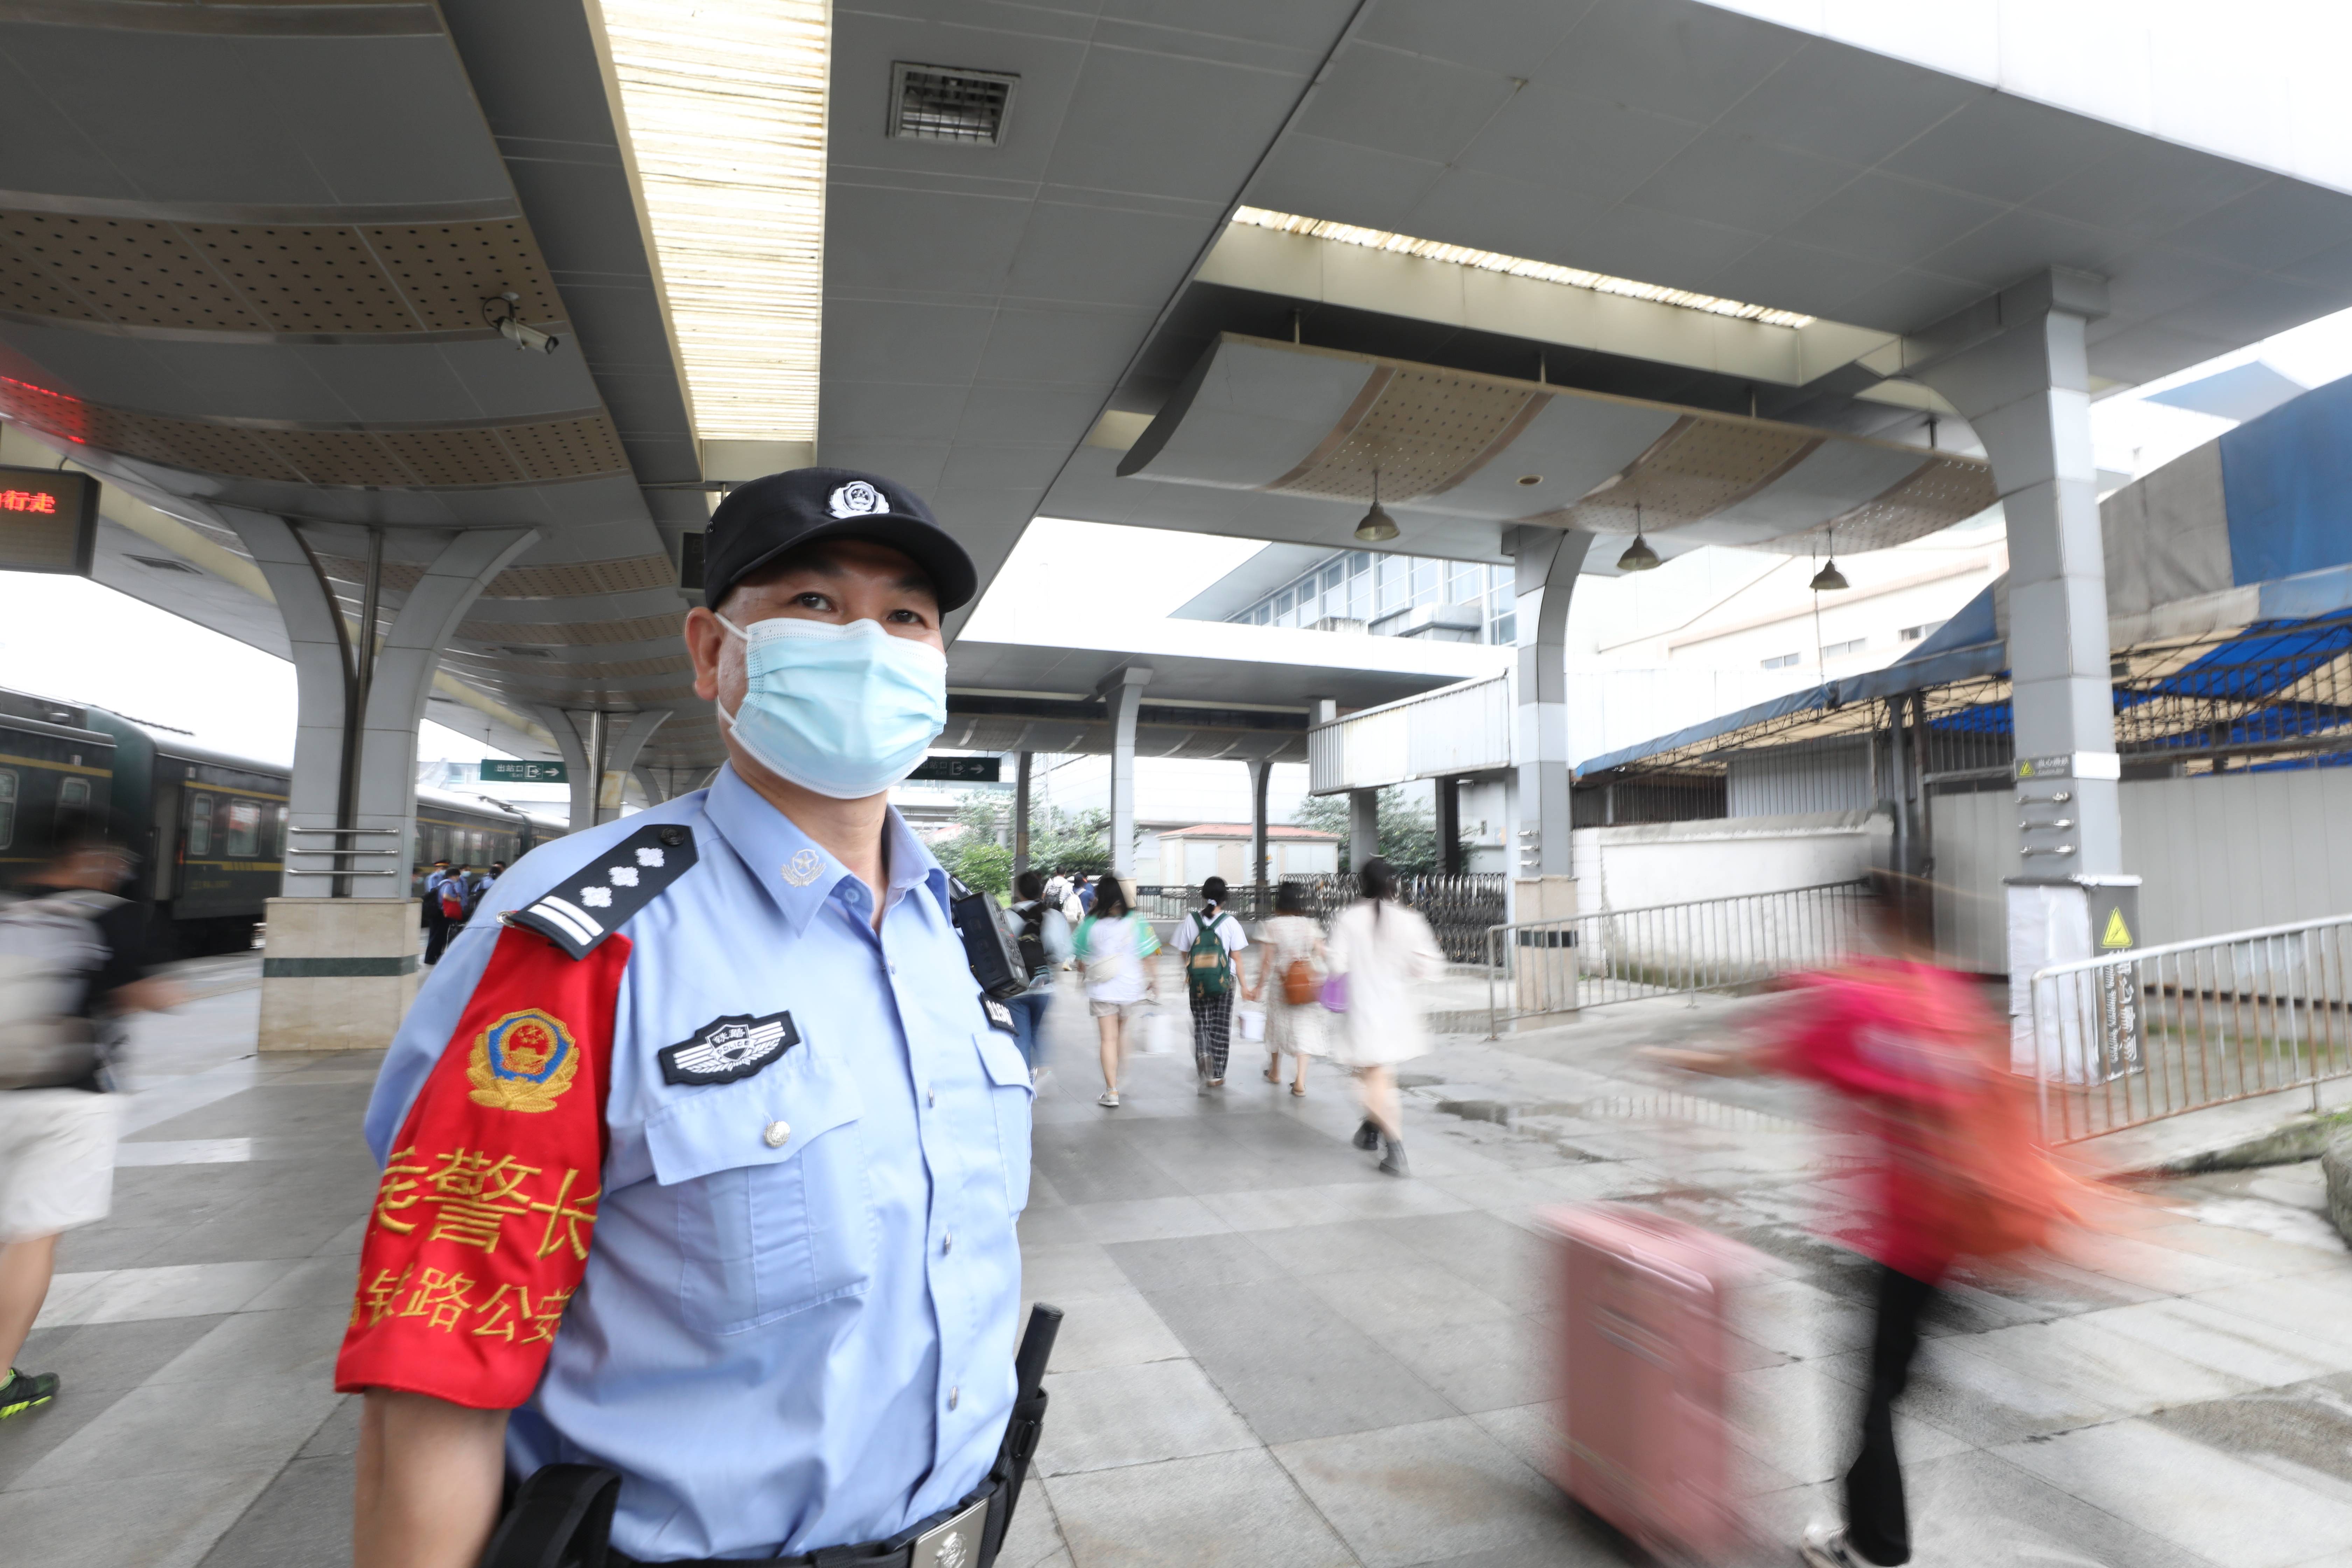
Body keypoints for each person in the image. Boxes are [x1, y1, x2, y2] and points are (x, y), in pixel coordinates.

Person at [340, 468, 1040, 1568]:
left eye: (906, 614)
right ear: (714, 652)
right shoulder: (578, 938)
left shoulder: (947, 927)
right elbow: (441, 1365)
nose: (869, 639)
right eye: (814, 603)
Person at [1647, 873, 2083, 1568]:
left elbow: (1761, 1054)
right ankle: (1877, 1503)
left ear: (1875, 921)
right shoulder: (1949, 994)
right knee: (1892, 1373)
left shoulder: (1858, 1003)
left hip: (1901, 1230)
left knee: (1875, 1390)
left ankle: (1874, 1543)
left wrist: (1680, 1058)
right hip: (1963, 1228)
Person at [0, 815, 181, 1421]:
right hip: (70, 1096)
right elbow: (151, 995)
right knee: (33, 1235)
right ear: (93, 857)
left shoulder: (9, 905)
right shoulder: (109, 915)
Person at [1323, 857, 1444, 1176]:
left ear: (1361, 883)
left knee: (1368, 1080)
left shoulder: (1348, 919)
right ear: (1394, 883)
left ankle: (1395, 1149)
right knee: (1378, 1077)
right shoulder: (1409, 920)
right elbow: (1428, 967)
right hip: (1396, 1015)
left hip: (1363, 1014)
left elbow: (1336, 966)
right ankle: (1371, 1129)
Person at [1071, 875, 1156, 1109]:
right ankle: (1119, 1078)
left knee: (1107, 1039)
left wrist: (1084, 970)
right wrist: (1154, 981)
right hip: (1129, 987)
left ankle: (1112, 1091)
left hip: (1102, 988)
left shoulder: (1090, 923)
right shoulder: (1136, 921)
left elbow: (1080, 960)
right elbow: (1148, 954)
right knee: (1121, 1034)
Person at [1169, 877, 1247, 1093]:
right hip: (1225, 982)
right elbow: (1237, 958)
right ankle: (1217, 1074)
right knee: (1221, 1026)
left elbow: (1184, 952)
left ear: (1203, 896)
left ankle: (1203, 1052)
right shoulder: (1231, 923)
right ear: (1226, 898)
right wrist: (1246, 986)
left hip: (1198, 982)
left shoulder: (1191, 920)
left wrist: (1191, 972)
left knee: (1201, 1021)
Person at [1248, 880, 1325, 1096]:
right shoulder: (1310, 925)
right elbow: (1321, 952)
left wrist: (1258, 987)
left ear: (1278, 901)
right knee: (1305, 1029)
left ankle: (1275, 1071)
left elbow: (1266, 962)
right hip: (1305, 984)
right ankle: (1300, 1081)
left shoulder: (1271, 925)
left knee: (1276, 1026)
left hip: (1281, 985)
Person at [1003, 870, 1072, 1076]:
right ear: (1042, 891)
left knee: (1021, 1036)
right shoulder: (1053, 917)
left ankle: (1024, 1080)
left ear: (1019, 892)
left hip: (1015, 989)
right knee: (1039, 1031)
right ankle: (1043, 1071)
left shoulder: (1006, 917)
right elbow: (1061, 954)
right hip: (1044, 987)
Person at [420, 859, 456, 966]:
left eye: (446, 868)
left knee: (441, 934)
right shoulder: (434, 878)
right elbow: (436, 894)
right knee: (435, 934)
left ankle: (437, 955)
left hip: (442, 909)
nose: (444, 870)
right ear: (438, 868)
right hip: (437, 910)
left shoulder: (444, 879)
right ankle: (430, 957)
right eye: (443, 868)